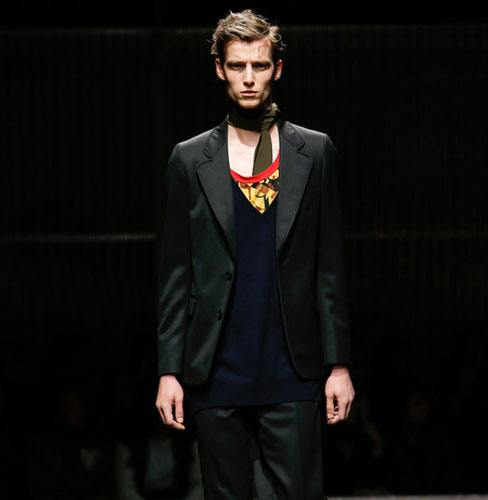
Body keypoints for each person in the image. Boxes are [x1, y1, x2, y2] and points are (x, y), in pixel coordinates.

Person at [155, 9, 355, 499]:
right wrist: (168, 371)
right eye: (237, 65)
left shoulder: (315, 152)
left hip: (293, 370)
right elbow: (176, 274)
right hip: (215, 371)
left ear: (277, 69)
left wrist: (339, 365)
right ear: (219, 68)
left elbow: (329, 270)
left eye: (259, 65)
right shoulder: (189, 159)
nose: (248, 78)